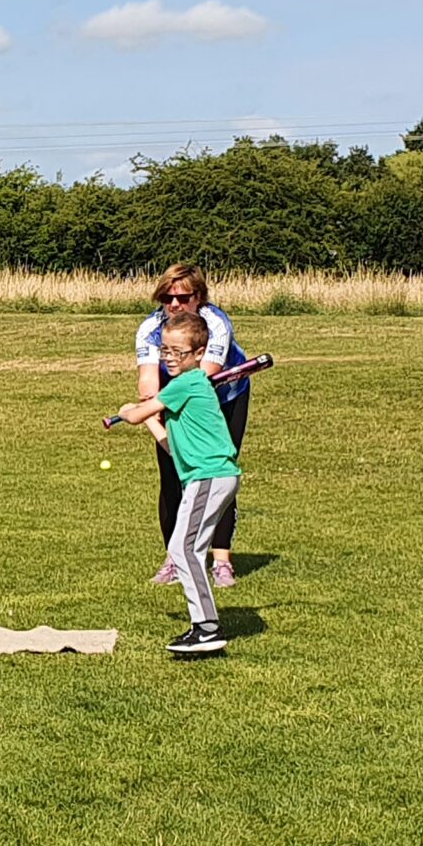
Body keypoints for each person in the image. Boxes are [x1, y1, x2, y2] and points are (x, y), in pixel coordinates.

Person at [110, 318, 240, 657]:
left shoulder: (187, 383)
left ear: (199, 353)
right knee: (186, 549)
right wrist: (150, 421)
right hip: (205, 476)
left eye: (177, 352)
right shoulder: (186, 388)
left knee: (183, 549)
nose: (168, 357)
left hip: (209, 476)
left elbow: (138, 413)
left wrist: (129, 412)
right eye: (163, 350)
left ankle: (207, 628)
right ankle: (204, 625)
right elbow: (172, 447)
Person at [135, 264, 251, 589]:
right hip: (175, 396)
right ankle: (174, 558)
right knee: (172, 474)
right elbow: (148, 376)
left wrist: (160, 403)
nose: (173, 305)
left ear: (198, 297)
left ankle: (222, 560)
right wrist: (150, 403)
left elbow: (204, 376)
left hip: (224, 399)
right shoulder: (149, 329)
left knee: (214, 471)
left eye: (182, 297)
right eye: (167, 297)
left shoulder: (215, 324)